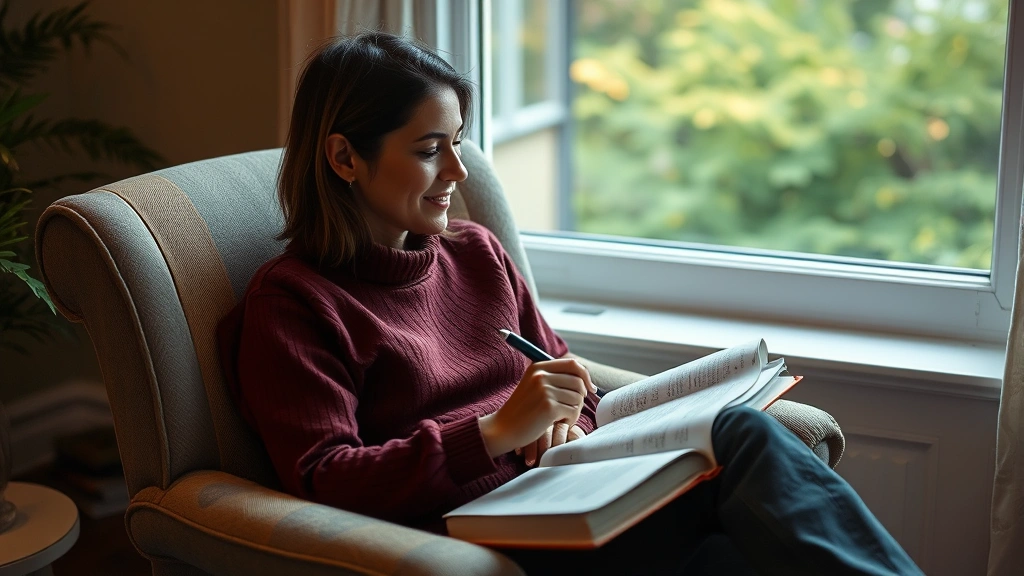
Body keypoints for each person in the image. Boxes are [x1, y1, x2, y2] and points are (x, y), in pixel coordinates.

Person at [217, 31, 924, 575]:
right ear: (344, 159)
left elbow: (562, 376)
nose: (459, 172)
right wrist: (494, 431)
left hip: (564, 494)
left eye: (457, 143)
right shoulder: (295, 304)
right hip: (486, 528)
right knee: (739, 442)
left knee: (738, 550)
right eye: (431, 149)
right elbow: (324, 478)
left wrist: (564, 424)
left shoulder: (474, 252)